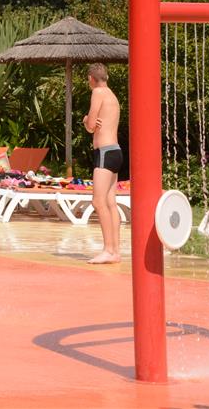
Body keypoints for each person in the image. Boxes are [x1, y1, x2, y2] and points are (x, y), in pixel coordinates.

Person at [83, 63, 123, 265]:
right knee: (110, 202)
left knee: (98, 202)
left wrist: (85, 120)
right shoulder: (112, 95)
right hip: (115, 151)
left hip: (105, 152)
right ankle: (115, 252)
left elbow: (91, 126)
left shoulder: (97, 93)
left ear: (91, 78)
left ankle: (108, 250)